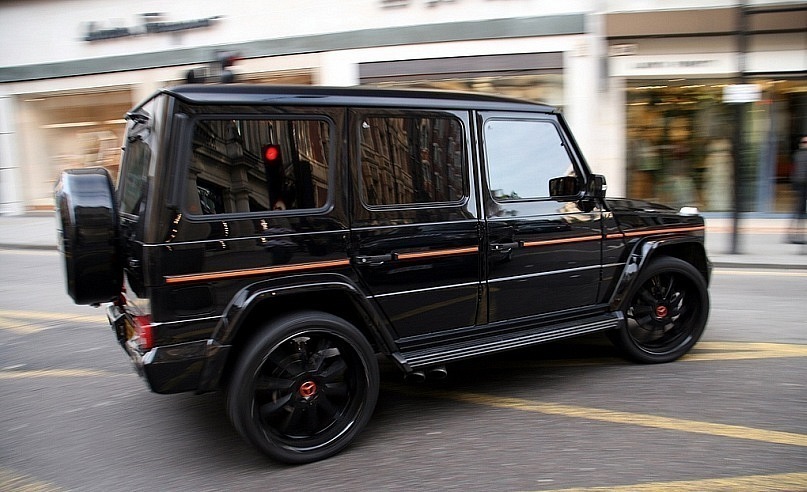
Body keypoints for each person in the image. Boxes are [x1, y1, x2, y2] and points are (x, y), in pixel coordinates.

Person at [789, 136, 807, 244]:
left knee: (798, 210)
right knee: (799, 211)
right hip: (803, 185)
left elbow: (794, 171)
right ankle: (796, 236)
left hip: (800, 185)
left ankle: (792, 235)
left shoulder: (798, 154)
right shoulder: (801, 155)